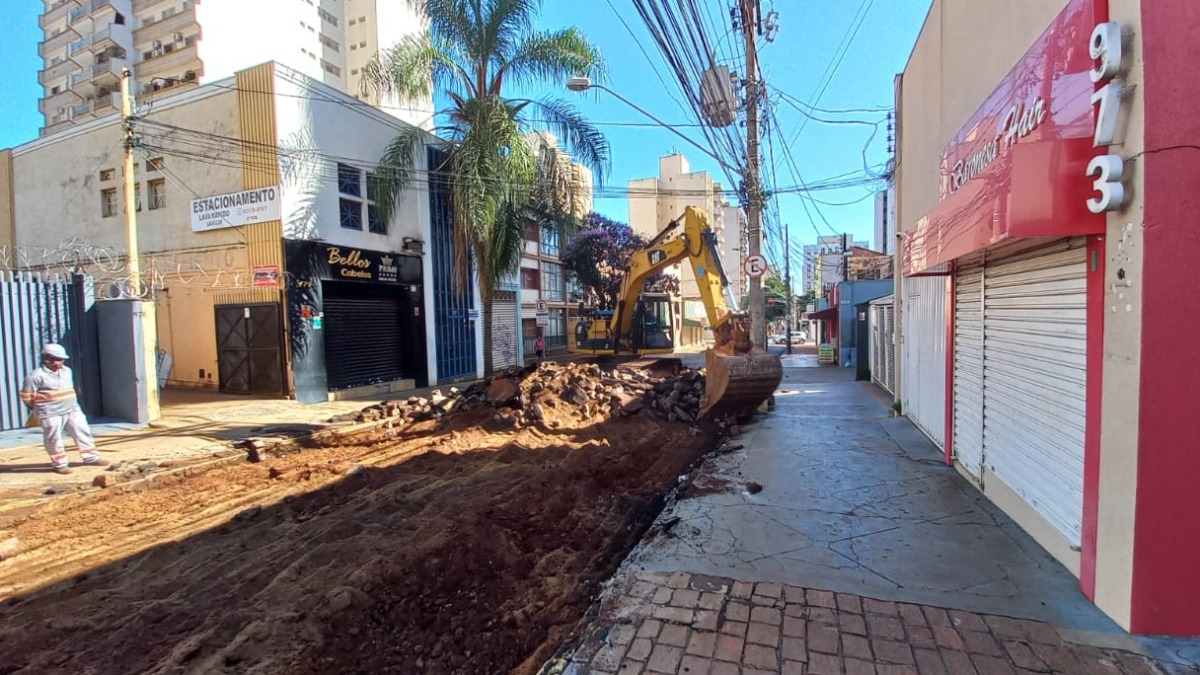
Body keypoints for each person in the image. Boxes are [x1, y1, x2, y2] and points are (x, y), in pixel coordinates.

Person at [20, 344, 108, 475]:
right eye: (57, 359)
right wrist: (41, 409)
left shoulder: (67, 371)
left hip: (72, 409)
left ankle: (91, 457)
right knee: (53, 438)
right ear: (47, 359)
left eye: (62, 359)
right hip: (50, 413)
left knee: (82, 432)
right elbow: (27, 397)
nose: (60, 363)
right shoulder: (35, 376)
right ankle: (60, 464)